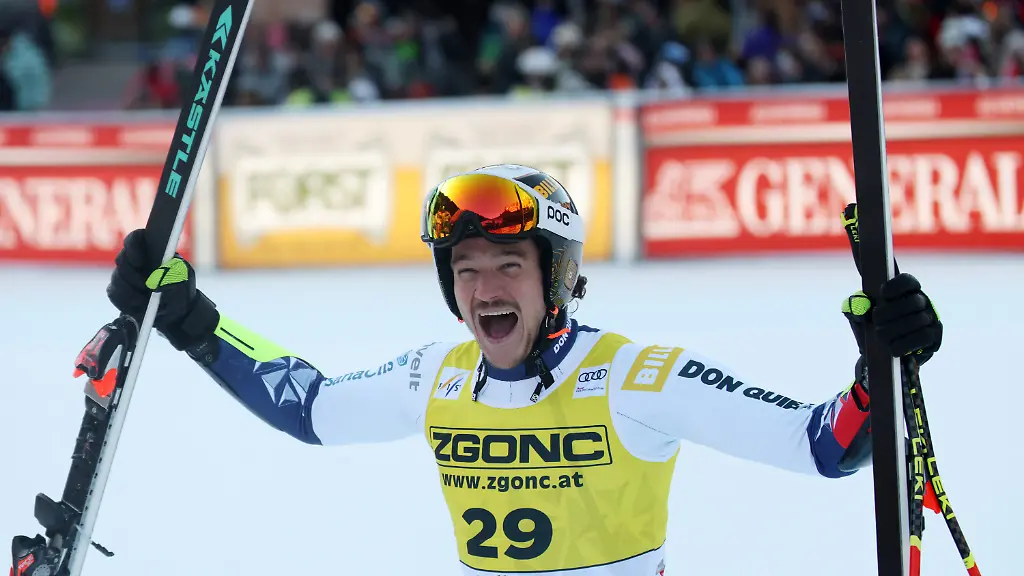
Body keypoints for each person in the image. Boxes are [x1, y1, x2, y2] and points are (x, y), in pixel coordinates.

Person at [101, 166, 946, 574]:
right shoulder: (437, 375)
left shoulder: (634, 377)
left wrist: (880, 372)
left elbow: (822, 445)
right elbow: (311, 407)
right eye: (465, 268)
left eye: (509, 264)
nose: (483, 288)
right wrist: (191, 321)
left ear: (557, 278)